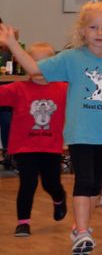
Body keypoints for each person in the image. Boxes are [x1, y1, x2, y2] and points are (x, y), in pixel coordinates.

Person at [1, 1, 102, 255]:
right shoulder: (72, 58)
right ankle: (82, 232)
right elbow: (35, 70)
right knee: (84, 181)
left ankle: (80, 227)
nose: (99, 33)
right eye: (93, 27)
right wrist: (13, 44)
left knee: (95, 187)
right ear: (82, 30)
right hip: (80, 133)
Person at [0, 42, 67, 238]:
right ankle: (23, 223)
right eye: (34, 62)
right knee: (27, 184)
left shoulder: (64, 89)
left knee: (50, 183)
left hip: (51, 148)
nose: (39, 68)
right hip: (25, 148)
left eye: (45, 63)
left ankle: (59, 198)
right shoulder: (17, 88)